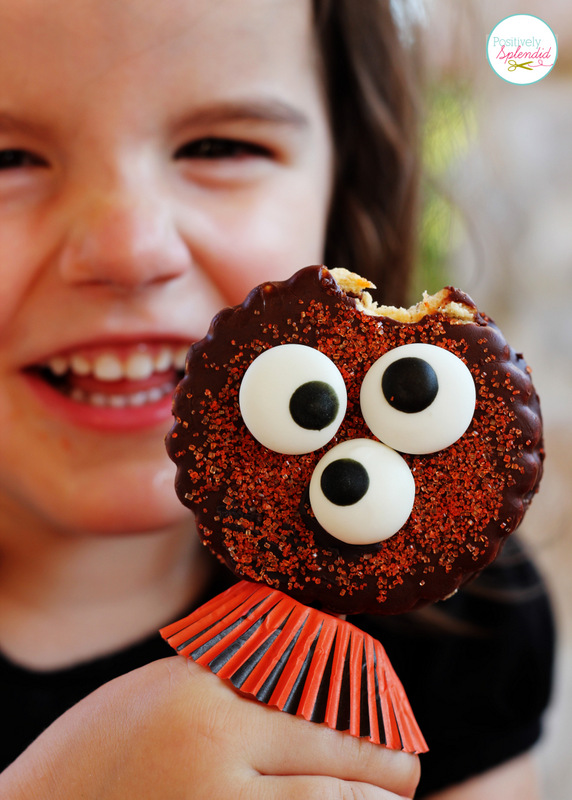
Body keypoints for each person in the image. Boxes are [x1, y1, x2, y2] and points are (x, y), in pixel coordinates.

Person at [0, 0, 554, 797]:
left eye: (221, 146)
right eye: (8, 157)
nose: (129, 247)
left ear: (345, 178)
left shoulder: (457, 620)